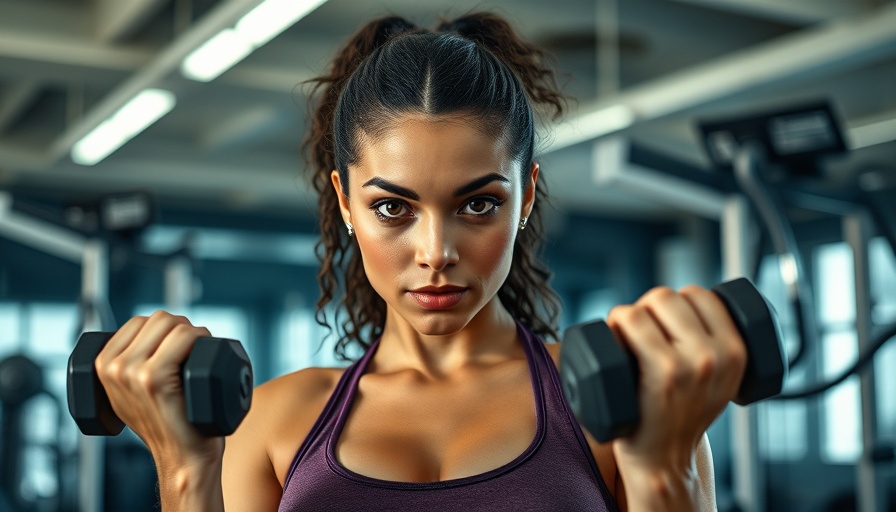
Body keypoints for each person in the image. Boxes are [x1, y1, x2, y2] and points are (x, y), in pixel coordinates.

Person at [95, 12, 746, 512]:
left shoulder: (615, 406)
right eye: (392, 209)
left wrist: (668, 472)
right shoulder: (270, 420)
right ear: (345, 202)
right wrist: (183, 471)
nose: (436, 253)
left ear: (525, 198)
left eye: (479, 204)